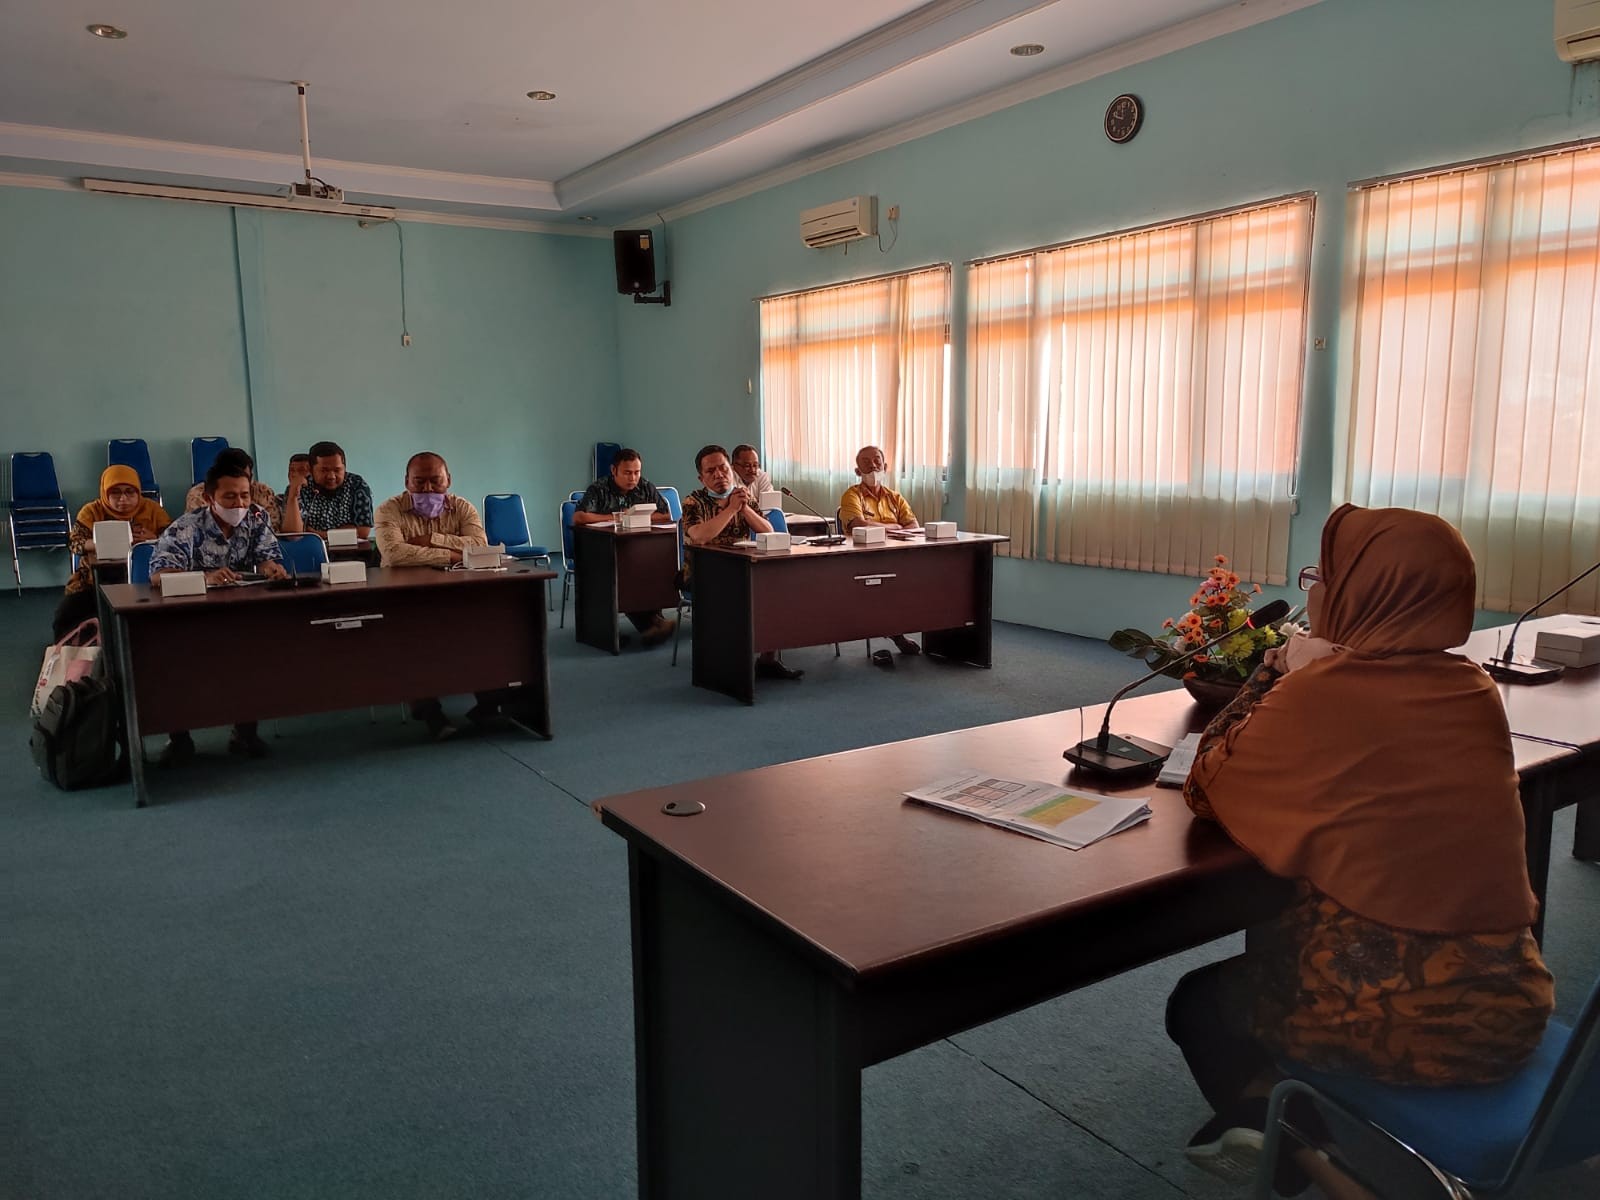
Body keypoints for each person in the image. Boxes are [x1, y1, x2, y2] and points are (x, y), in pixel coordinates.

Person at [1166, 505, 1554, 1196]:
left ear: (1360, 592)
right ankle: (1271, 1111)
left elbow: (1206, 783)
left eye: (1322, 574)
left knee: (1198, 1003)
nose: (1312, 588)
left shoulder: (1323, 695)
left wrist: (1283, 670)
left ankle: (1305, 1151)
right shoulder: (1472, 689)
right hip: (1511, 1009)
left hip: (1390, 1025)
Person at [149, 458, 289, 763]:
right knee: (178, 667)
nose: (239, 503)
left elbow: (267, 557)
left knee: (253, 658)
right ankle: (180, 739)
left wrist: (272, 569)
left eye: (244, 495)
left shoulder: (256, 517)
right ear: (209, 498)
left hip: (240, 611)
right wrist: (204, 577)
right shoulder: (186, 527)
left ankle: (245, 734)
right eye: (229, 496)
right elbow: (159, 576)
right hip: (189, 615)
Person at [373, 452, 503, 739]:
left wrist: (431, 540)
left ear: (449, 480)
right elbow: (394, 554)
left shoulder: (463, 508)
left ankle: (490, 703)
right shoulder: (388, 510)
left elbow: (479, 545)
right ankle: (430, 712)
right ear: (406, 481)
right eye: (419, 482)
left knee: (485, 632)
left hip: (458, 592)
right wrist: (453, 553)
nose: (428, 489)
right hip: (405, 595)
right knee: (415, 643)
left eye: (436, 481)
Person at [681, 445, 800, 681]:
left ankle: (768, 659)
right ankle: (727, 662)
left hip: (741, 567)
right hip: (704, 573)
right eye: (711, 471)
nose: (719, 475)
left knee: (778, 591)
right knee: (739, 596)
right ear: (701, 477)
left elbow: (768, 530)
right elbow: (699, 536)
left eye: (723, 469)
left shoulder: (742, 494)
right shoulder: (693, 501)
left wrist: (744, 508)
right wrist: (730, 510)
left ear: (731, 471)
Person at [53, 465, 172, 640]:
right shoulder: (92, 511)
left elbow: (174, 539)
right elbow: (74, 543)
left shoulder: (152, 510)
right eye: (115, 492)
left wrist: (155, 538)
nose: (123, 499)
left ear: (138, 492)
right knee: (67, 613)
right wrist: (100, 544)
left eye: (130, 492)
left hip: (143, 580)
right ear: (105, 492)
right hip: (93, 582)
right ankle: (72, 654)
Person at [573, 448, 676, 646]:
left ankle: (653, 621)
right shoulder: (599, 488)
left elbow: (665, 515)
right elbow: (580, 517)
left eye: (637, 472)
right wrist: (617, 517)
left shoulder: (645, 486)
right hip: (602, 552)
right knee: (625, 575)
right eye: (627, 473)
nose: (633, 478)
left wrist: (635, 516)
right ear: (614, 470)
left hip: (640, 549)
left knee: (652, 568)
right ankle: (651, 624)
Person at [838, 445, 922, 657]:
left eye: (876, 460)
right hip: (862, 559)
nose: (872, 465)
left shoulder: (895, 497)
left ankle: (897, 630)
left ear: (885, 466)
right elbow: (859, 525)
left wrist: (878, 527)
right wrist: (894, 527)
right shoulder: (852, 495)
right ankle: (897, 634)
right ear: (857, 471)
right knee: (888, 586)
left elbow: (914, 527)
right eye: (865, 462)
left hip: (895, 556)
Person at [183, 447, 302, 534]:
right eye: (230, 496)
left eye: (245, 477)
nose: (239, 503)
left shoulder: (263, 492)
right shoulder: (198, 494)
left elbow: (277, 534)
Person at [286, 441, 374, 539]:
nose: (331, 476)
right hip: (309, 552)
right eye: (324, 470)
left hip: (351, 552)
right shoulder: (301, 488)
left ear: (344, 468)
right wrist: (292, 496)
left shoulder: (357, 485)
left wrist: (317, 533)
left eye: (337, 470)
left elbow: (362, 532)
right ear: (311, 470)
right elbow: (293, 536)